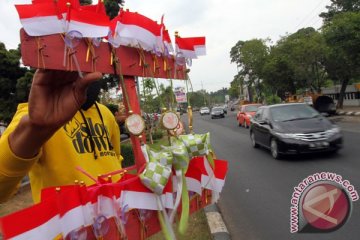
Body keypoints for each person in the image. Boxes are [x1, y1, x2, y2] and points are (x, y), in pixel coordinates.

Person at [0, 69, 124, 203]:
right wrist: (34, 131)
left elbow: (116, 158)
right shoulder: (36, 114)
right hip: (68, 221)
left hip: (117, 215)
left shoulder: (105, 113)